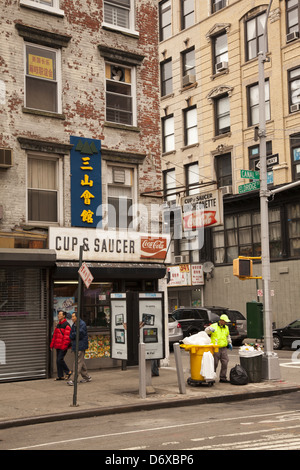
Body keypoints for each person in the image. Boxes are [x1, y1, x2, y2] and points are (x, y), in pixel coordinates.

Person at [205, 314, 233, 383]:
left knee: (225, 362)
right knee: (214, 363)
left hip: (223, 348)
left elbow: (228, 336)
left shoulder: (226, 327)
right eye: (225, 321)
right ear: (221, 320)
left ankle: (223, 377)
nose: (226, 323)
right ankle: (211, 377)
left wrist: (229, 342)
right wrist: (208, 329)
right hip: (215, 348)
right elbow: (206, 332)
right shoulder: (213, 326)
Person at [67, 312, 92, 385]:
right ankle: (87, 377)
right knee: (80, 362)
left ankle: (73, 379)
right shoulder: (74, 324)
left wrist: (73, 335)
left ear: (77, 317)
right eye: (71, 317)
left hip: (80, 346)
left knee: (77, 363)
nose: (72, 318)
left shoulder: (82, 324)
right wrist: (73, 335)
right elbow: (71, 335)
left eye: (73, 316)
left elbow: (79, 334)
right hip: (76, 345)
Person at [50, 310, 72, 381]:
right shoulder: (58, 324)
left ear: (64, 316)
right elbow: (55, 336)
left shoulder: (66, 325)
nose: (58, 316)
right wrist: (52, 345)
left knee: (60, 360)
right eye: (58, 314)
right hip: (58, 346)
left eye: (60, 315)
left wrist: (64, 347)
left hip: (63, 346)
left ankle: (68, 371)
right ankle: (60, 376)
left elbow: (67, 338)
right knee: (58, 361)